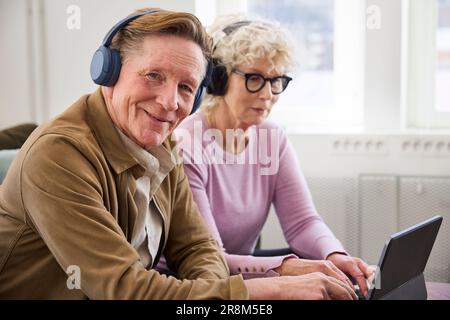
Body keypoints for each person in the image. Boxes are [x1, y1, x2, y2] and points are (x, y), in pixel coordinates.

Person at [0, 8, 356, 300]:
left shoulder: (161, 142)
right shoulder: (59, 155)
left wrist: (223, 298)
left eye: (186, 87)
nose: (170, 102)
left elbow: (198, 249)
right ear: (108, 72)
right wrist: (266, 289)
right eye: (153, 75)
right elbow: (124, 289)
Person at [169, 15, 373, 296]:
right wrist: (287, 269)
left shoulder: (272, 137)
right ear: (217, 78)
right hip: (193, 287)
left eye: (276, 80)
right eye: (255, 78)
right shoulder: (186, 144)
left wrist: (333, 256)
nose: (268, 94)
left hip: (242, 280)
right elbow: (207, 260)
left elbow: (302, 223)